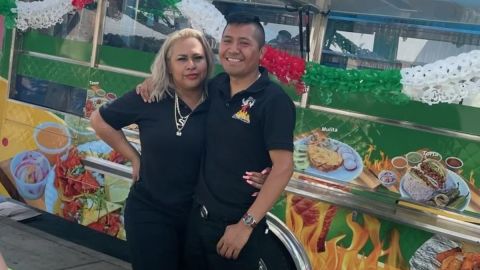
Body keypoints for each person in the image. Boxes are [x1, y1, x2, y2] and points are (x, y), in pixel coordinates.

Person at [90, 28, 267, 270]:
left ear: (208, 60)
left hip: (199, 219)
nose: (191, 65)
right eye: (182, 59)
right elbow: (99, 121)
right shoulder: (151, 96)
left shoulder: (221, 98)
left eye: (198, 58)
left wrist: (263, 171)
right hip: (150, 212)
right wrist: (133, 156)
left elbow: (248, 133)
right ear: (168, 65)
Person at [139, 13, 296, 269]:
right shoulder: (215, 87)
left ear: (261, 52)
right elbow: (180, 82)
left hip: (235, 230)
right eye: (227, 41)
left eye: (244, 43)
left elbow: (284, 166)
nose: (233, 50)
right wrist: (154, 80)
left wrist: (245, 226)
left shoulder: (274, 101)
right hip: (196, 220)